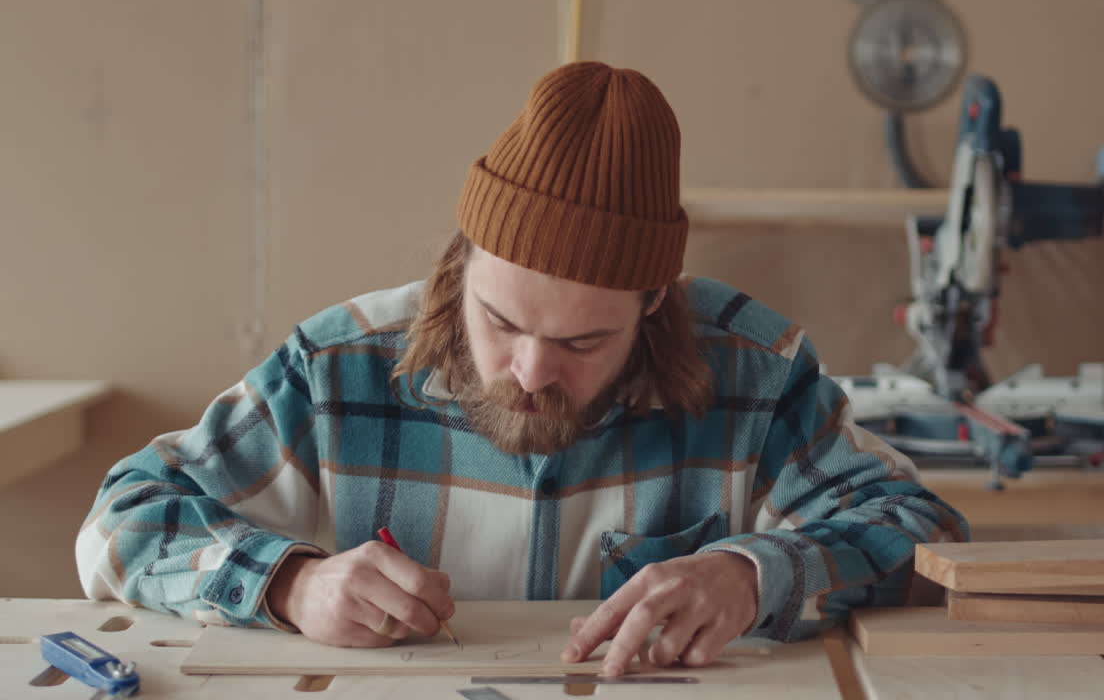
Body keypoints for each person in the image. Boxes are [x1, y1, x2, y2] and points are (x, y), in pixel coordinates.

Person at [76, 61, 967, 676]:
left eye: (584, 343)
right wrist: (290, 583)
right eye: (500, 321)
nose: (532, 372)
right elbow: (119, 522)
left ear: (655, 301)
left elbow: (927, 539)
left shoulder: (754, 368)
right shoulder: (335, 367)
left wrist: (753, 574)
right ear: (462, 264)